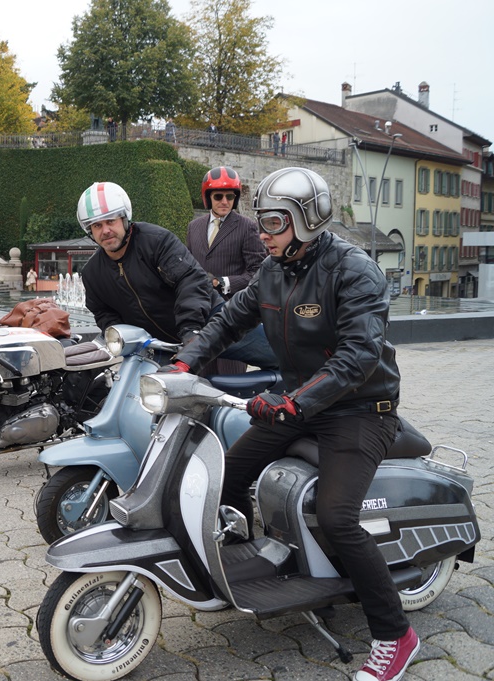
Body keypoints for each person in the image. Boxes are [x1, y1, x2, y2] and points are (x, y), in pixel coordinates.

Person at [163, 167, 418, 681]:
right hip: (299, 403)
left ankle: (394, 636)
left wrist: (294, 404)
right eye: (262, 222)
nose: (264, 234)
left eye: (275, 222)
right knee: (226, 474)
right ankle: (249, 570)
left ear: (307, 221)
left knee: (339, 515)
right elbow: (228, 318)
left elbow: (358, 357)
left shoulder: (353, 270)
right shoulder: (273, 269)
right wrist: (183, 364)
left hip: (360, 410)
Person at [77, 181, 276, 369]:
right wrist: (124, 339)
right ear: (90, 231)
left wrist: (191, 331)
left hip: (208, 320)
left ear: (124, 218)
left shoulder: (156, 241)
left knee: (278, 353)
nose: (105, 230)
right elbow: (103, 313)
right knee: (155, 399)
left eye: (110, 221)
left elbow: (190, 279)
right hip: (158, 345)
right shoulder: (92, 273)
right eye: (97, 225)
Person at [187, 167, 266, 302]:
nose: (224, 201)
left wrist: (222, 282)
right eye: (218, 196)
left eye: (229, 196)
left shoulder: (247, 227)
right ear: (208, 197)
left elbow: (258, 271)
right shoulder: (193, 226)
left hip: (230, 306)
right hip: (196, 302)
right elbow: (188, 264)